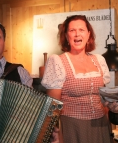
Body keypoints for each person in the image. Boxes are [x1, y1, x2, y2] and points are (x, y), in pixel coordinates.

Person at [41, 15, 113, 143]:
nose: (77, 34)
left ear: (88, 34)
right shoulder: (58, 61)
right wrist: (56, 134)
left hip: (100, 125)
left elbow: (104, 101)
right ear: (66, 36)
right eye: (72, 30)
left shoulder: (99, 60)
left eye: (81, 30)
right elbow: (53, 106)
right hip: (72, 127)